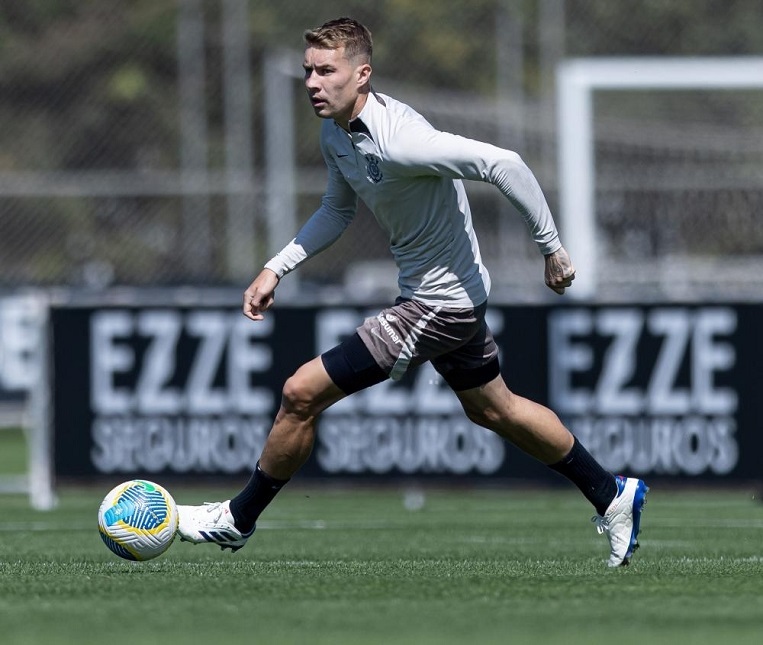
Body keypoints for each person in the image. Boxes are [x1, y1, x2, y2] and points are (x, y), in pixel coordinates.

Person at [177, 17, 648, 567]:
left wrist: (553, 248)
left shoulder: (402, 139)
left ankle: (238, 519)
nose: (311, 82)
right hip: (451, 298)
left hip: (437, 305)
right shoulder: (335, 132)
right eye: (308, 70)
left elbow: (505, 164)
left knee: (300, 393)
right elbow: (337, 208)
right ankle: (612, 495)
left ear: (362, 75)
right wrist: (276, 268)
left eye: (326, 70)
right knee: (496, 410)